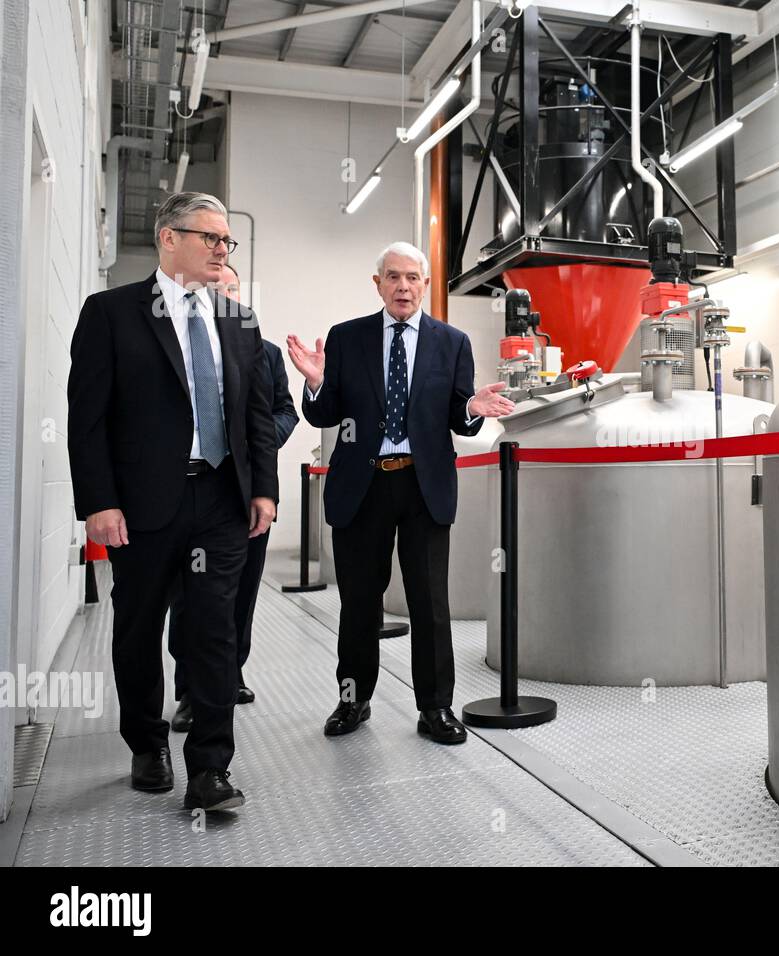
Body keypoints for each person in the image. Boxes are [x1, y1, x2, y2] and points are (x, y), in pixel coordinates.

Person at [68, 192, 278, 812]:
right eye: (210, 237)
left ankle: (210, 767)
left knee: (215, 630)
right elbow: (88, 419)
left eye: (226, 241)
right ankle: (146, 742)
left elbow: (257, 415)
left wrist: (262, 487)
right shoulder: (111, 313)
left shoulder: (239, 321)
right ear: (167, 238)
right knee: (137, 629)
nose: (222, 249)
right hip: (141, 503)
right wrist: (98, 502)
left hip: (220, 498)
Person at [286, 242, 512, 744]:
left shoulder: (451, 342)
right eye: (393, 277)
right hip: (360, 486)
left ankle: (435, 708)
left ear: (426, 284)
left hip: (422, 486)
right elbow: (323, 416)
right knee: (359, 603)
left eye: (413, 277)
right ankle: (353, 700)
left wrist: (472, 406)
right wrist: (319, 384)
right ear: (378, 283)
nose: (403, 286)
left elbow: (461, 417)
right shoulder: (347, 339)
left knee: (430, 603)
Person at [170, 263, 298, 732]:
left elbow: (283, 412)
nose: (225, 296)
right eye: (217, 287)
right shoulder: (180, 345)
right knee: (191, 596)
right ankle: (189, 690)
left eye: (233, 290)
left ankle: (229, 673)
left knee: (240, 592)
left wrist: (256, 449)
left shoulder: (261, 351)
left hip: (246, 492)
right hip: (192, 489)